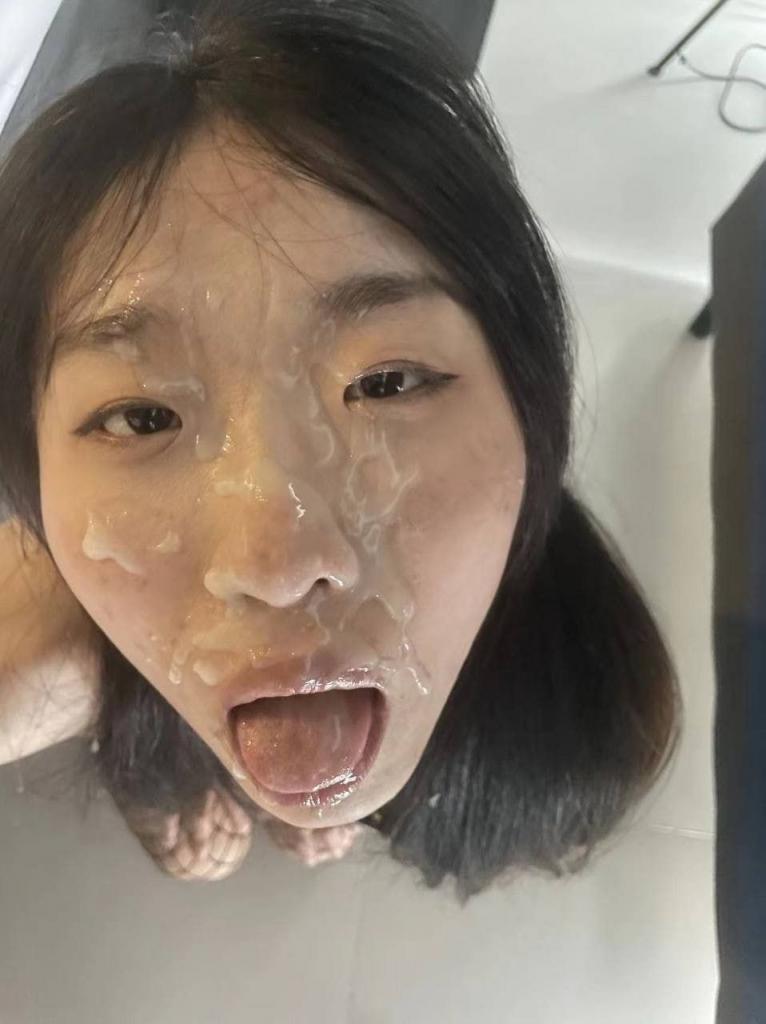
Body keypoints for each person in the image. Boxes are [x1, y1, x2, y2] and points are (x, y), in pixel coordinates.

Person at [0, 0, 682, 903]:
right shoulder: (39, 649)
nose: (278, 566)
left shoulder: (571, 668)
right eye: (141, 417)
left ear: (530, 408)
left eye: (387, 383)